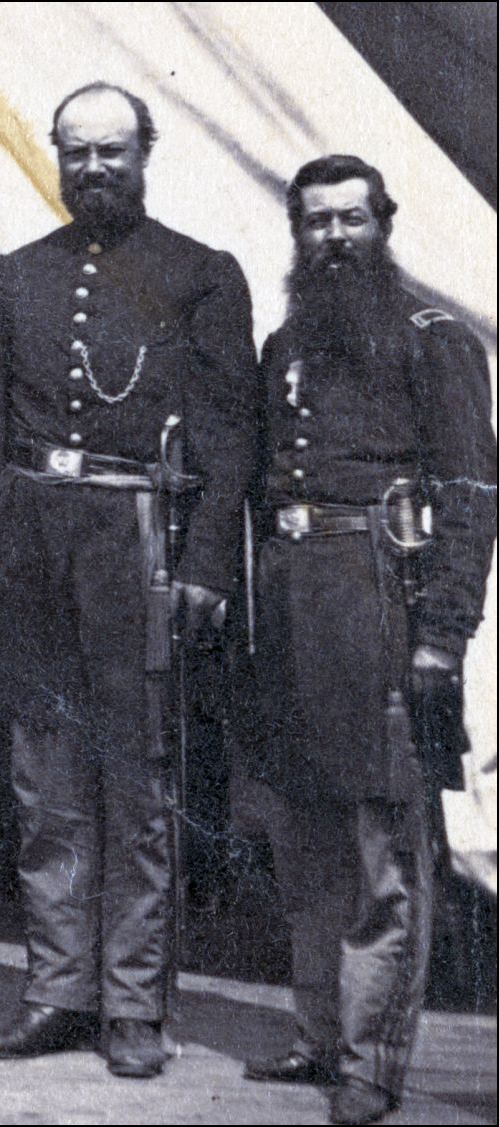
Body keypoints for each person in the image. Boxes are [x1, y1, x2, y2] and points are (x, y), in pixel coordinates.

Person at [0, 83, 259, 1077]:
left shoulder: (200, 276)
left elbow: (227, 437)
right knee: (46, 785)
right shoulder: (12, 278)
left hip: (140, 550)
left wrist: (208, 561)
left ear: (146, 152)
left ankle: (131, 1001)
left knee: (136, 784)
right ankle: (56, 989)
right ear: (54, 157)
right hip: (33, 551)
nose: (92, 169)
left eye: (111, 152)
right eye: (75, 152)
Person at [238, 155, 495, 1126]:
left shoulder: (437, 344)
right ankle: (317, 1033)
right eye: (316, 222)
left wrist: (444, 639)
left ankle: (372, 1058)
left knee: (384, 850)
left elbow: (471, 501)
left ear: (383, 224)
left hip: (389, 615)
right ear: (297, 233)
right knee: (304, 837)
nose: (334, 238)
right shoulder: (284, 348)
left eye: (351, 219)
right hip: (297, 617)